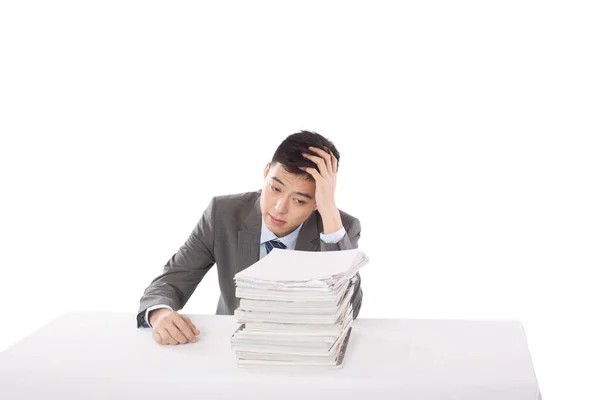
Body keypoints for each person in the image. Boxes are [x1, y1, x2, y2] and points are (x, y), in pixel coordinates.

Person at [137, 130, 363, 345]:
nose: (279, 208)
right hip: (233, 346)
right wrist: (159, 313)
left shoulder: (340, 228)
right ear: (266, 172)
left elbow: (349, 308)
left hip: (302, 350)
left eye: (299, 201)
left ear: (317, 202)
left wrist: (330, 215)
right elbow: (171, 280)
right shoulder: (223, 214)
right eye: (275, 188)